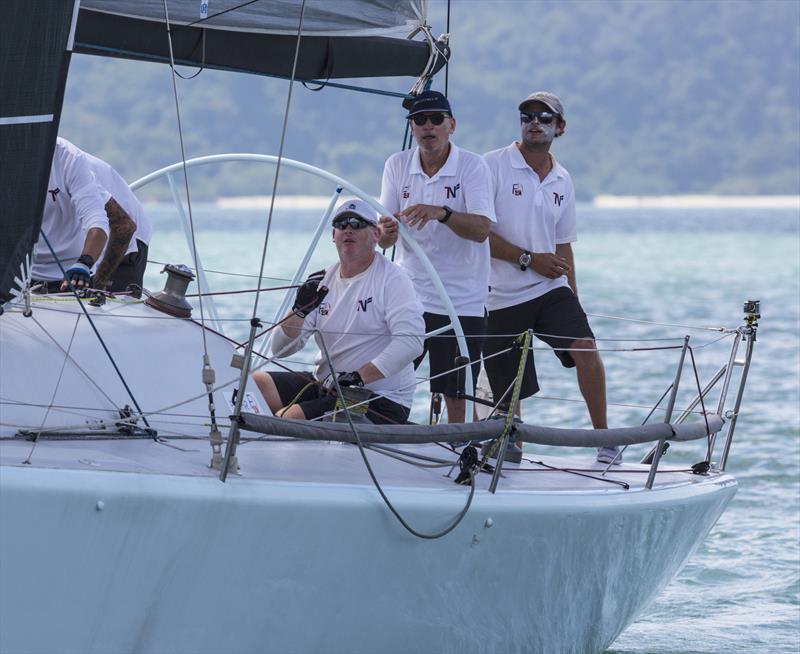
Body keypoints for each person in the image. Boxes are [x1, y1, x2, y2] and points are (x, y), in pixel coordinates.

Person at [482, 91, 616, 464]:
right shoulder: (491, 166)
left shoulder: (562, 178)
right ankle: (510, 446)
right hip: (500, 294)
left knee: (586, 348)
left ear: (560, 126)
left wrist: (574, 298)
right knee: (509, 395)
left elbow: (563, 246)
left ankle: (604, 440)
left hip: (549, 288)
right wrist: (528, 259)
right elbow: (479, 233)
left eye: (544, 116)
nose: (534, 122)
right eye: (526, 115)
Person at [378, 90, 495, 423]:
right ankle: (374, 443)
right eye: (419, 120)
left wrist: (441, 213)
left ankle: (458, 457)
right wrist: (385, 232)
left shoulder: (473, 166)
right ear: (412, 127)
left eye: (436, 119)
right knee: (385, 380)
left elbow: (482, 229)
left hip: (462, 300)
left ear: (451, 125)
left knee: (456, 393)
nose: (427, 126)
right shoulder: (396, 164)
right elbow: (385, 236)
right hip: (408, 297)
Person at [252, 199, 424, 425]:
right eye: (341, 224)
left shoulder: (393, 278)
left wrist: (358, 378)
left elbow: (411, 343)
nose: (348, 229)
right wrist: (299, 311)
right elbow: (280, 350)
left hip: (380, 400)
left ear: (375, 234)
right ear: (333, 235)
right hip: (327, 386)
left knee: (287, 418)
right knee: (251, 385)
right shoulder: (322, 280)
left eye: (357, 223)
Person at [31, 137, 137, 293]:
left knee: (97, 291)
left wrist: (91, 271)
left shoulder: (69, 159)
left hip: (125, 236)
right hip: (46, 256)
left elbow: (124, 226)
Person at [84, 152, 152, 294]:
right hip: (98, 231)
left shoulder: (72, 165)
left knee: (100, 305)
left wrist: (99, 280)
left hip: (129, 241)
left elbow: (125, 227)